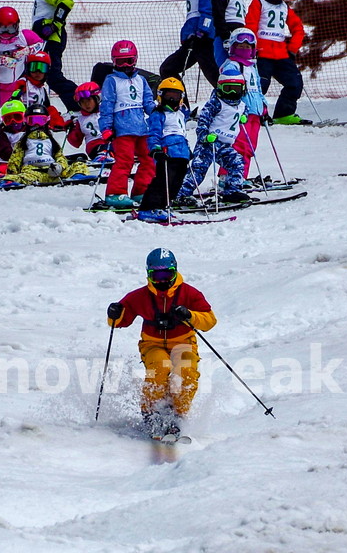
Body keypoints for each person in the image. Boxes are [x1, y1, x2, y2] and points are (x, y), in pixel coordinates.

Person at [105, 248, 218, 440]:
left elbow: (210, 320)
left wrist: (190, 315)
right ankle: (151, 413)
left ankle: (178, 415)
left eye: (167, 274)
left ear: (175, 271)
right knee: (160, 367)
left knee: (186, 371)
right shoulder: (139, 296)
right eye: (156, 276)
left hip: (184, 343)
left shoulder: (189, 293)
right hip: (152, 344)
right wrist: (114, 313)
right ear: (148, 274)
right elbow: (120, 321)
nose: (163, 280)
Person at [176, 63, 251, 205]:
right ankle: (181, 194)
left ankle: (232, 191)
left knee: (237, 163)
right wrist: (205, 136)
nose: (232, 93)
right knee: (199, 170)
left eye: (236, 89)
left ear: (242, 89)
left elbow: (243, 113)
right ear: (220, 88)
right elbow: (203, 121)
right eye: (228, 89)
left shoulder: (242, 105)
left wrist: (244, 117)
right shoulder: (215, 103)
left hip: (224, 145)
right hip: (209, 143)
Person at [99, 40, 158, 209]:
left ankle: (141, 190)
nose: (125, 65)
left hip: (141, 128)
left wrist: (158, 116)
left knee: (148, 159)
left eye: (129, 61)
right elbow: (107, 105)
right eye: (120, 62)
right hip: (122, 129)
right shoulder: (111, 80)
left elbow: (148, 102)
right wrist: (106, 128)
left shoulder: (141, 80)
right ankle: (115, 193)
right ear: (114, 62)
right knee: (124, 161)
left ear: (135, 60)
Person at [245, 0, 305, 125]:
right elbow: (250, 26)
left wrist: (292, 49)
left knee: (295, 82)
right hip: (262, 53)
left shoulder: (285, 7)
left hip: (281, 54)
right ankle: (254, 115)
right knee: (260, 86)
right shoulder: (259, 2)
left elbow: (298, 28)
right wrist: (252, 48)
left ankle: (283, 115)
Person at [160, 0, 220, 86]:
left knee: (213, 74)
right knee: (169, 69)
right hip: (193, 40)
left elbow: (208, 11)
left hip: (202, 40)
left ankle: (231, 101)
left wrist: (201, 32)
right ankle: (180, 104)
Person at [27, 0, 78, 110]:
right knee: (42, 76)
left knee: (53, 76)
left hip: (52, 38)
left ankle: (79, 102)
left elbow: (66, 2)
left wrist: (55, 24)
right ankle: (43, 109)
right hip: (44, 40)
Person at [1, 103, 93, 187]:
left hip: (51, 172)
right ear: (26, 122)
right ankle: (9, 182)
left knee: (79, 165)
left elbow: (60, 157)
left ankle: (77, 176)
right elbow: (15, 160)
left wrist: (59, 167)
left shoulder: (50, 140)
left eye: (41, 121)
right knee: (17, 177)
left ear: (47, 121)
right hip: (32, 173)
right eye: (32, 121)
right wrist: (12, 175)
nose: (36, 125)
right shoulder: (23, 141)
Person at [142, 77, 192, 212]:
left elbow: (181, 133)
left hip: (182, 154)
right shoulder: (158, 115)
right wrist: (155, 149)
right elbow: (153, 134)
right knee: (163, 181)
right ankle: (149, 207)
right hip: (167, 153)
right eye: (168, 96)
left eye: (175, 96)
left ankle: (164, 206)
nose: (172, 100)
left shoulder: (181, 114)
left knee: (177, 182)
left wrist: (187, 149)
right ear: (160, 96)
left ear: (181, 98)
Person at [0, 6, 44, 105]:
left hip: (15, 84)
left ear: (17, 25)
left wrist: (27, 50)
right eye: (2, 28)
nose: (6, 33)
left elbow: (40, 44)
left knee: (11, 112)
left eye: (10, 28)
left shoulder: (24, 36)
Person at [227, 29, 266, 176]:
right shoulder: (232, 66)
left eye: (248, 47)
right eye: (240, 46)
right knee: (239, 145)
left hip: (255, 112)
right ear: (233, 47)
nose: (244, 49)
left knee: (250, 147)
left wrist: (263, 106)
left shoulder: (251, 67)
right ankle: (228, 176)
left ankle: (242, 176)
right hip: (241, 112)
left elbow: (258, 89)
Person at [64, 81, 106, 160]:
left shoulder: (106, 112)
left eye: (89, 100)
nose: (86, 104)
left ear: (96, 98)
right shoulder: (80, 119)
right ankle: (103, 156)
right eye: (82, 102)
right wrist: (70, 128)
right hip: (94, 146)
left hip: (110, 143)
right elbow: (76, 143)